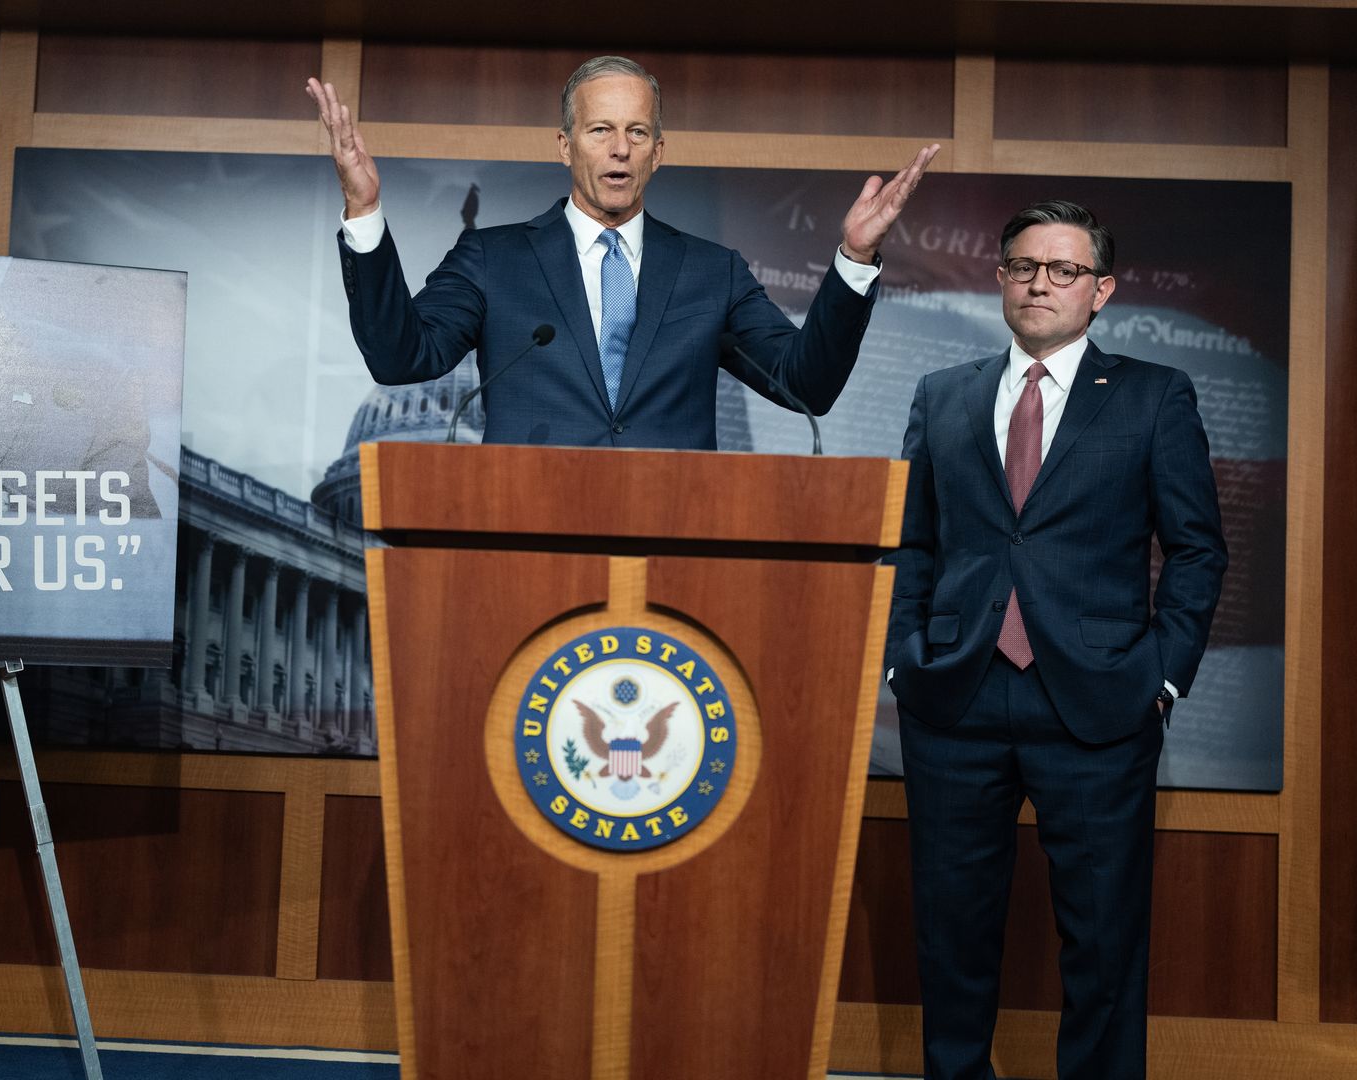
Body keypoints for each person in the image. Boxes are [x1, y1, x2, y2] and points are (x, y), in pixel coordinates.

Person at [884, 200, 1227, 1080]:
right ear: (1000, 279)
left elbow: (1196, 551)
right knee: (951, 938)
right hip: (954, 701)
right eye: (1025, 266)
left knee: (1103, 947)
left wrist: (1163, 680)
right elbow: (911, 544)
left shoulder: (1154, 396)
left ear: (1102, 290)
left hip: (1101, 705)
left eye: (1065, 270)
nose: (1042, 283)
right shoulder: (944, 394)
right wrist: (902, 659)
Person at [305, 56, 939, 448]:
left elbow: (806, 381)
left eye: (637, 132)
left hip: (672, 548)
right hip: (529, 541)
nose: (619, 148)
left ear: (658, 153)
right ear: (565, 145)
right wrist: (363, 212)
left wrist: (854, 258)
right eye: (600, 130)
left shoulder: (711, 273)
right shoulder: (492, 260)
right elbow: (401, 356)